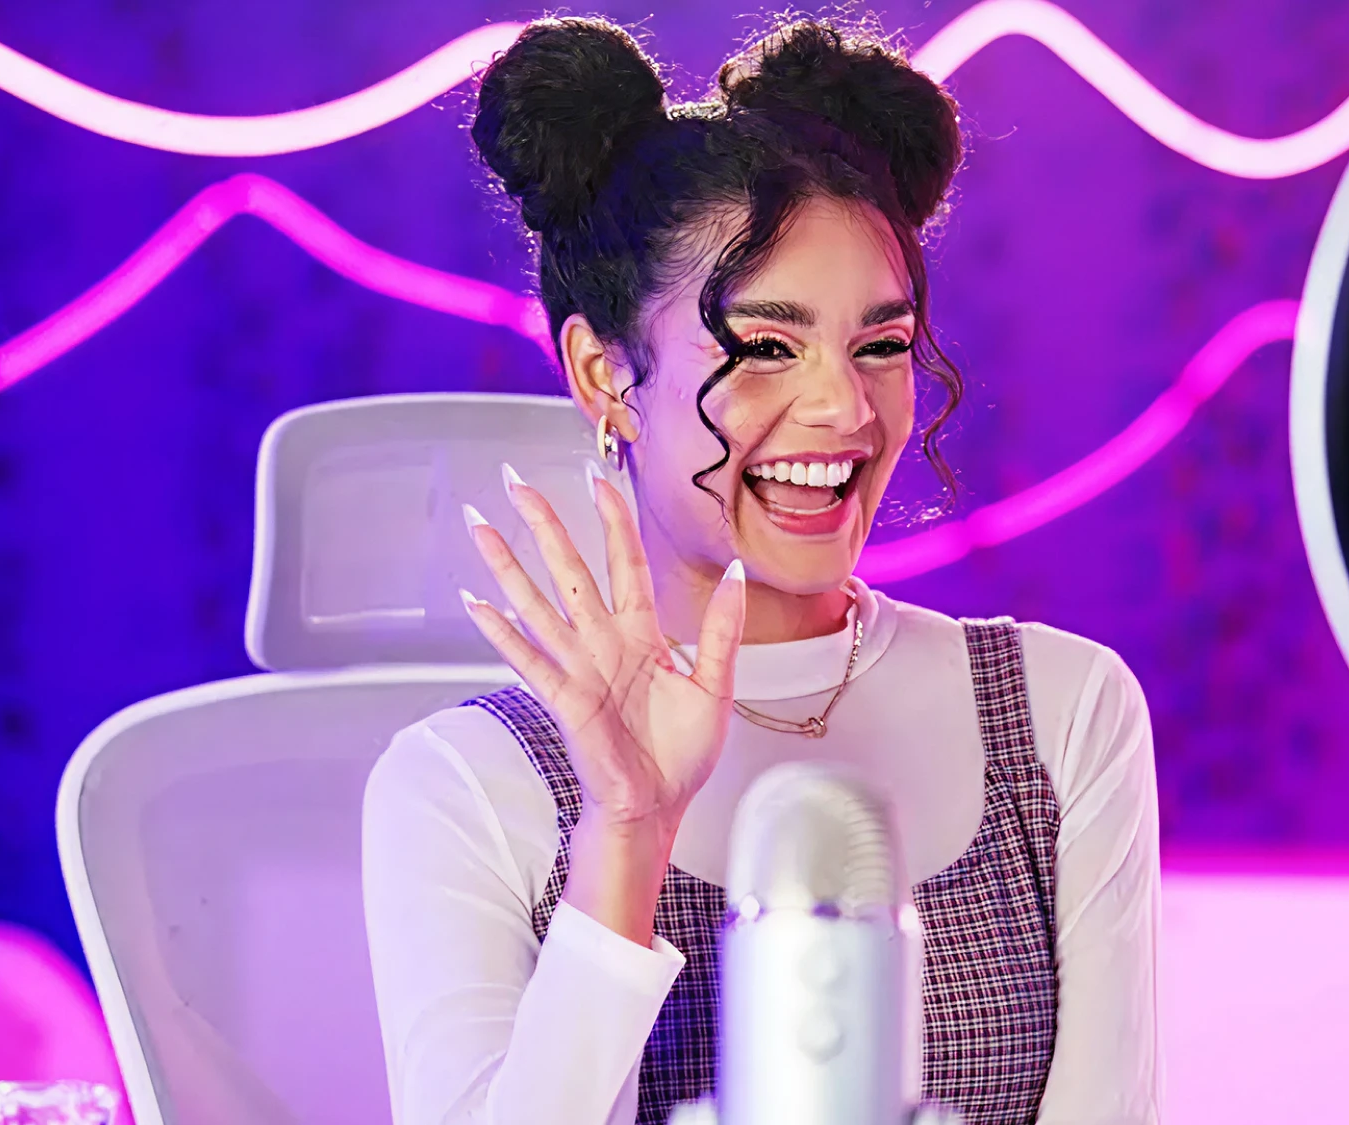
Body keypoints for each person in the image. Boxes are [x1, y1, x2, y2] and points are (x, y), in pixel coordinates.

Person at [360, 14, 1161, 1125]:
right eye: (765, 347)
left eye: (881, 346)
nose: (844, 408)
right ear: (604, 374)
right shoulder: (461, 786)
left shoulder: (1062, 716)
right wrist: (627, 824)